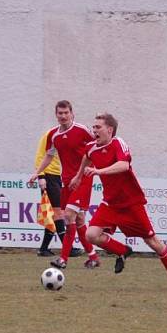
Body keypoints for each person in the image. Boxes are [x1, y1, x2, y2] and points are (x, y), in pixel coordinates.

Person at [70, 113, 167, 292]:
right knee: (91, 235)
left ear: (110, 129)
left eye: (98, 127)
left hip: (131, 203)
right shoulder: (91, 147)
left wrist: (99, 172)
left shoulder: (118, 143)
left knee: (153, 242)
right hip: (110, 203)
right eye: (93, 127)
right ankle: (123, 251)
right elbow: (86, 157)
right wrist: (78, 177)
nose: (94, 130)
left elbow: (123, 165)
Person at [28, 100, 100, 269]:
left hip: (83, 179)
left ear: (71, 113)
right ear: (56, 115)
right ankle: (93, 257)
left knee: (67, 216)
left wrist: (98, 169)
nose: (63, 116)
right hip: (66, 181)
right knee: (79, 219)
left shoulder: (82, 130)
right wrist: (37, 173)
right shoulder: (54, 135)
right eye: (60, 113)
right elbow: (48, 155)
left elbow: (97, 145)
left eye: (66, 112)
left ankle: (63, 259)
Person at [32, 131, 83, 257]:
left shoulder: (62, 137)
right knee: (58, 212)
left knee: (53, 213)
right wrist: (41, 176)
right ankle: (68, 248)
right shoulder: (50, 135)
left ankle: (43, 248)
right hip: (49, 176)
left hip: (55, 176)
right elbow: (40, 156)